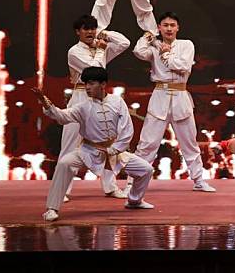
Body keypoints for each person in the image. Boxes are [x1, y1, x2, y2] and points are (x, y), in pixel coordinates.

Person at [33, 67, 155, 222]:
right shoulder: (83, 106)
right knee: (64, 163)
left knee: (146, 169)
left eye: (91, 84)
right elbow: (63, 117)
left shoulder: (117, 101)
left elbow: (126, 128)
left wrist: (116, 149)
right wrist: (47, 104)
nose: (87, 88)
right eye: (85, 84)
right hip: (88, 151)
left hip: (114, 152)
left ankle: (134, 200)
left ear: (103, 84)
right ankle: (52, 208)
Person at [128, 12, 216, 193]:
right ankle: (133, 182)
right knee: (147, 143)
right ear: (159, 28)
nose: (169, 28)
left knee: (189, 143)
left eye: (172, 25)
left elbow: (183, 66)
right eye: (165, 25)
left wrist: (166, 54)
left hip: (181, 96)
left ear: (178, 27)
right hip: (159, 95)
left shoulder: (186, 45)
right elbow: (137, 51)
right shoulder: (154, 47)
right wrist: (147, 36)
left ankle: (199, 180)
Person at [61, 15, 130, 200]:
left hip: (99, 99)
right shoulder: (74, 52)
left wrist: (104, 33)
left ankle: (110, 187)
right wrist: (100, 49)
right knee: (70, 145)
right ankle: (63, 189)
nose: (90, 32)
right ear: (78, 32)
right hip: (80, 97)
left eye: (93, 28)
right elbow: (95, 70)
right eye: (86, 29)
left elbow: (124, 43)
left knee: (106, 142)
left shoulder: (101, 47)